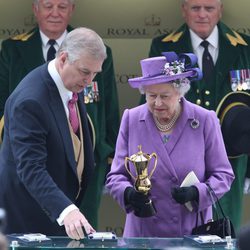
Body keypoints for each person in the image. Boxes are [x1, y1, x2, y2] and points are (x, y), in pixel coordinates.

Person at [0, 0, 120, 229]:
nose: (89, 81)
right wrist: (66, 210)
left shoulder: (70, 82)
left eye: (95, 74)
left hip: (62, 210)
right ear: (63, 58)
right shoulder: (31, 101)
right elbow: (31, 167)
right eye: (85, 72)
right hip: (31, 219)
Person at [141, 0, 250, 232]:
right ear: (184, 10)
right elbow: (151, 105)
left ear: (220, 11)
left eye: (209, 8)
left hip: (231, 157)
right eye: (195, 8)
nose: (202, 14)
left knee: (225, 228)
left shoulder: (244, 48)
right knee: (181, 226)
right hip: (180, 156)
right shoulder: (164, 47)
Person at [105, 51, 234, 237]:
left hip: (190, 232)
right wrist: (128, 195)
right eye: (151, 96)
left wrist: (197, 193)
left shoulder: (204, 119)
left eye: (164, 96)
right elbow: (116, 176)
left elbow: (224, 175)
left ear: (180, 92)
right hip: (144, 232)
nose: (157, 103)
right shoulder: (131, 119)